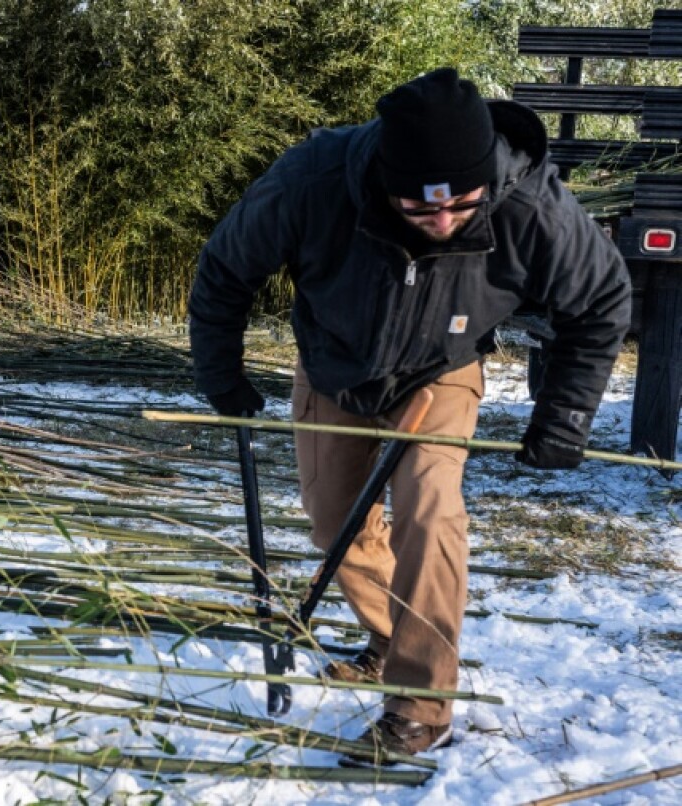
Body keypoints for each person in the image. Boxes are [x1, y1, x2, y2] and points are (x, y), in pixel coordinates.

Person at [189, 68, 631, 764]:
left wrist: (566, 414)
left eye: (461, 204)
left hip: (441, 368)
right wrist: (221, 375)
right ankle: (393, 638)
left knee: (429, 510)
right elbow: (224, 269)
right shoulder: (314, 179)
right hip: (334, 365)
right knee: (335, 523)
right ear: (385, 181)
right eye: (422, 207)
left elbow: (602, 300)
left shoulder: (532, 206)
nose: (444, 220)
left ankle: (420, 705)